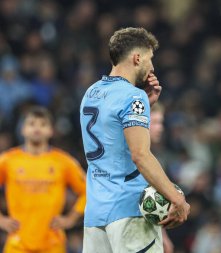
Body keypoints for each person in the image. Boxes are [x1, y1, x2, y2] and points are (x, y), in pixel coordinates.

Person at [80, 27, 190, 253]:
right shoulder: (132, 96)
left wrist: (145, 107)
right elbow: (140, 155)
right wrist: (176, 198)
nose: (152, 67)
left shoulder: (91, 92)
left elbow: (111, 133)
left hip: (95, 214)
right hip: (128, 209)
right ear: (137, 58)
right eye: (150, 59)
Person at [0, 106, 86, 253]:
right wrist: (1, 220)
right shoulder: (8, 161)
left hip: (52, 243)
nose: (37, 128)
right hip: (17, 244)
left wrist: (70, 219)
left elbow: (87, 192)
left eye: (43, 124)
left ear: (51, 130)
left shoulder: (63, 162)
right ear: (23, 129)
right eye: (32, 123)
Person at [149, 102, 174, 253]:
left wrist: (163, 235)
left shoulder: (154, 158)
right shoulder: (138, 158)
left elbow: (150, 203)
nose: (161, 128)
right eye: (156, 122)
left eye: (161, 122)